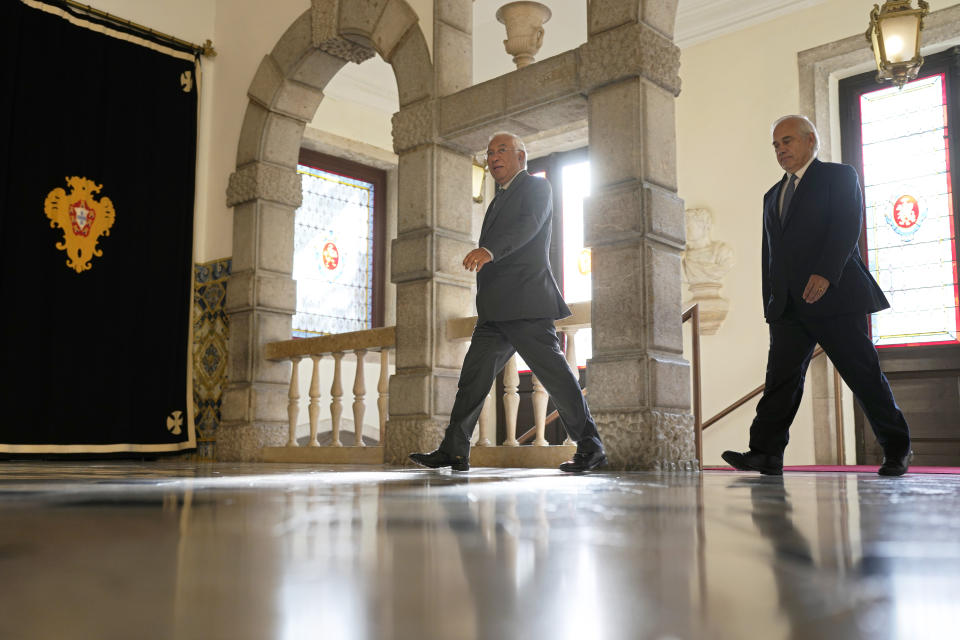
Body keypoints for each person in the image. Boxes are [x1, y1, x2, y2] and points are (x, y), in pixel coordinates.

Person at [722, 115, 911, 477]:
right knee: (780, 381)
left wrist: (825, 273)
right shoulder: (771, 195)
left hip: (836, 298)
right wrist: (772, 303)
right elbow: (771, 255)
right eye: (776, 145)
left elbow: (846, 225)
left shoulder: (839, 177)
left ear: (811, 141)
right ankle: (765, 453)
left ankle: (897, 448)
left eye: (787, 141)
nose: (781, 150)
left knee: (863, 374)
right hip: (789, 307)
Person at [409, 132, 606, 473]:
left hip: (527, 304)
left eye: (502, 150)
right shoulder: (497, 199)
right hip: (495, 311)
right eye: (489, 152)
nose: (493, 157)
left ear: (521, 157)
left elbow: (526, 227)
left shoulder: (536, 187)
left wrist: (490, 250)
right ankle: (455, 450)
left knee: (557, 377)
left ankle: (591, 449)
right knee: (472, 380)